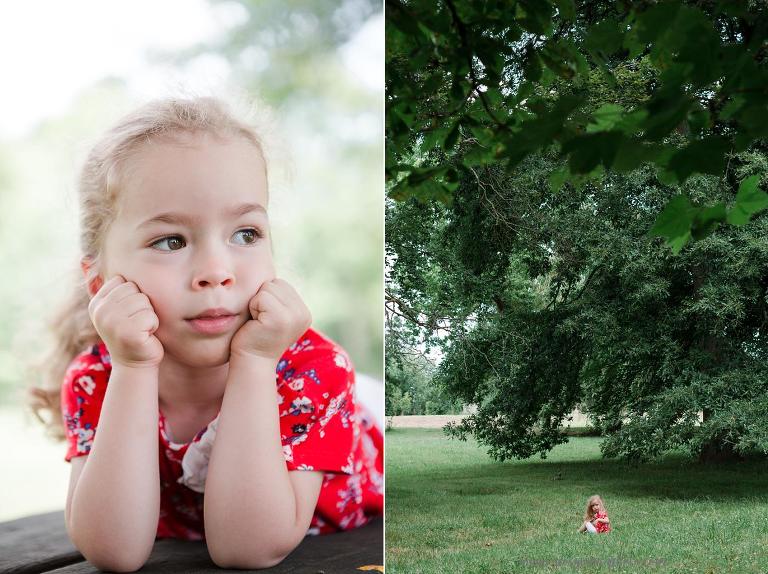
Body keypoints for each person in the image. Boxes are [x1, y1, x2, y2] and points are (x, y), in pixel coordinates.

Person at [28, 96, 383, 571]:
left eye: (245, 234)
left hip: (351, 484)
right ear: (101, 285)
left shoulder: (313, 371)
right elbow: (113, 552)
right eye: (170, 241)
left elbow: (248, 548)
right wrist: (134, 368)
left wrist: (255, 363)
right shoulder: (97, 376)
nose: (216, 272)